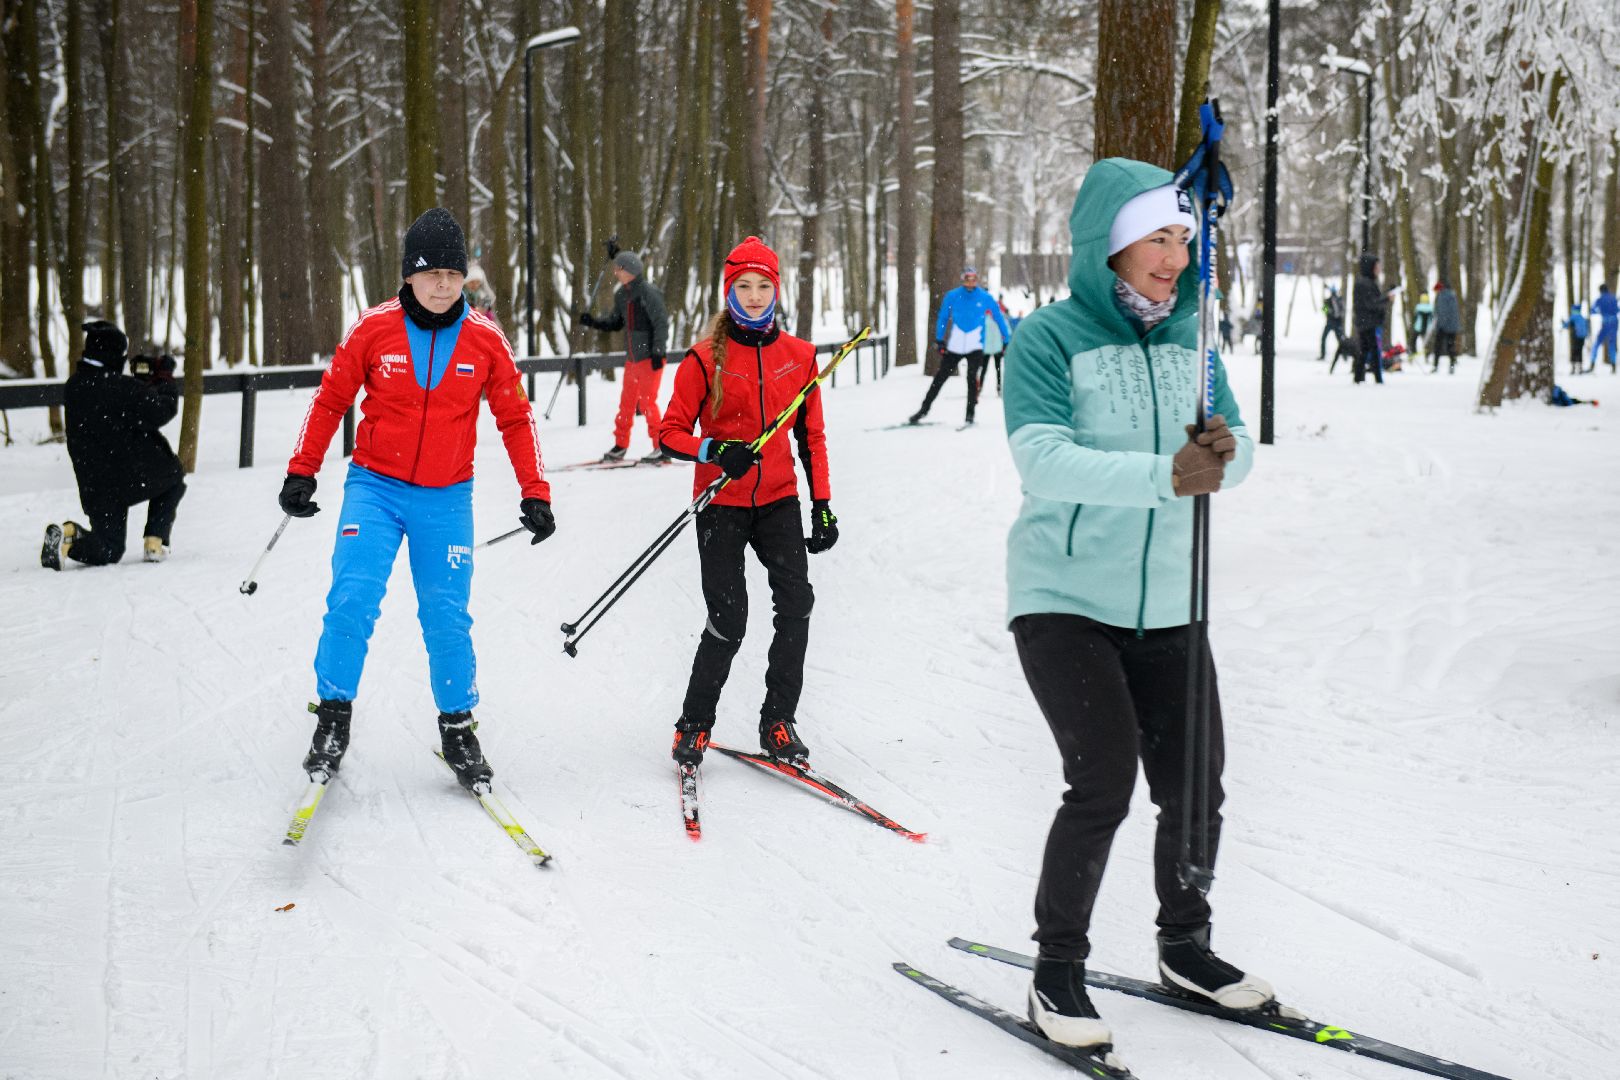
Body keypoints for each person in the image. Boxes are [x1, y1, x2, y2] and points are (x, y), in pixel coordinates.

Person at [1001, 160, 1266, 1055]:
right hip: (1065, 600)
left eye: (1184, 238)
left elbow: (1239, 455)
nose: (1175, 255)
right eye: (1159, 236)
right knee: (1104, 780)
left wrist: (1223, 452)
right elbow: (1043, 460)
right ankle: (1056, 973)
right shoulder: (1049, 340)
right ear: (1111, 241)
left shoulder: (1195, 340)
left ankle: (1186, 948)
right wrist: (1169, 474)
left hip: (1173, 606)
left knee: (1196, 786)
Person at [279, 207, 555, 791]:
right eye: (431, 274)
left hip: (446, 497)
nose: (443, 285)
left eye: (453, 275)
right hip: (374, 489)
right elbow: (331, 400)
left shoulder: (484, 338)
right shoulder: (372, 329)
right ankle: (332, 719)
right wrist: (302, 471)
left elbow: (515, 415)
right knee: (352, 600)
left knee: (446, 616)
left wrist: (536, 491)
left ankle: (458, 726)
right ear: (408, 275)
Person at [657, 236, 836, 767]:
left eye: (763, 286)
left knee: (796, 604)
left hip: (779, 500)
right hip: (721, 504)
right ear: (728, 291)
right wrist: (714, 450)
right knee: (729, 619)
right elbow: (668, 433)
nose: (754, 296)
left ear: (776, 290)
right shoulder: (701, 358)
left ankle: (778, 721)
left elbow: (812, 438)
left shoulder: (800, 357)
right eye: (744, 286)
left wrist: (821, 504)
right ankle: (693, 724)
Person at [40, 320, 186, 570]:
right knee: (174, 479)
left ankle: (67, 536)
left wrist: (140, 386)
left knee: (108, 548)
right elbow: (161, 411)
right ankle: (155, 540)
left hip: (95, 485)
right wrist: (164, 380)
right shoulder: (123, 388)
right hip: (129, 477)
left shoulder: (74, 386)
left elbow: (111, 404)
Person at [580, 249, 671, 463]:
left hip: (650, 357)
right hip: (632, 359)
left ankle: (661, 447)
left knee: (648, 403)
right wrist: (593, 322)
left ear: (629, 270)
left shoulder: (648, 293)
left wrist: (658, 351)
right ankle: (620, 445)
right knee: (626, 404)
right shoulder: (622, 295)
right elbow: (616, 322)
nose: (615, 273)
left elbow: (661, 323)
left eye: (618, 269)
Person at [908, 266, 1012, 426]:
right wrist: (939, 339)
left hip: (975, 345)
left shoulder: (985, 298)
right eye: (967, 279)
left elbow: (998, 318)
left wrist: (1006, 339)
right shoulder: (953, 296)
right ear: (963, 279)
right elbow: (943, 318)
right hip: (955, 346)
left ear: (977, 280)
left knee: (971, 379)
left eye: (973, 279)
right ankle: (923, 409)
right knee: (940, 378)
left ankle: (970, 415)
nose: (970, 282)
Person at [1351, 253, 1391, 384]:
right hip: (1368, 322)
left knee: (1365, 350)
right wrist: (1386, 299)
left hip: (1366, 322)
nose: (1379, 269)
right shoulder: (1365, 283)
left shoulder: (1366, 282)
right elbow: (1371, 303)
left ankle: (1359, 377)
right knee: (1372, 350)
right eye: (1377, 266)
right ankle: (1375, 378)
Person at [1431, 279, 1460, 374]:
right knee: (1450, 347)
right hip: (1453, 326)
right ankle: (1452, 366)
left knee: (1437, 347)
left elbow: (1443, 312)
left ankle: (1435, 366)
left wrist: (1440, 325)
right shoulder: (1452, 295)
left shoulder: (1442, 296)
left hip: (1443, 326)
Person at [1590, 283, 1618, 373]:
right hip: (1614, 322)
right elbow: (1617, 310)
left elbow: (1592, 310)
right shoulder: (1613, 298)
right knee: (1612, 344)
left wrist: (1600, 311)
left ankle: (1592, 363)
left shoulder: (1599, 299)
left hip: (1605, 323)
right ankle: (1613, 365)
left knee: (1597, 343)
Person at [1317, 285, 1345, 361]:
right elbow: (1324, 310)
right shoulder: (1334, 300)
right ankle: (1344, 356)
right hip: (1333, 323)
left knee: (1339, 340)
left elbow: (1325, 311)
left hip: (1333, 323)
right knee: (1338, 340)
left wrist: (1328, 310)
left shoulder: (1336, 300)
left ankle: (1344, 355)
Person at [1561, 304, 1589, 375]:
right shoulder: (1581, 317)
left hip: (1576, 337)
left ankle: (1573, 368)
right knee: (1579, 351)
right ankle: (1580, 368)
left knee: (1574, 351)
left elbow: (1566, 325)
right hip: (1582, 337)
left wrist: (1563, 323)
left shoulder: (1573, 317)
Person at [1411, 292, 1433, 357]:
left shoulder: (1418, 307)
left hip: (1418, 327)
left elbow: (1415, 317)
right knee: (1427, 342)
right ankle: (1427, 354)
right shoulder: (1430, 308)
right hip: (1427, 328)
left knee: (1413, 340)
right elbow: (1431, 319)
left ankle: (1413, 352)